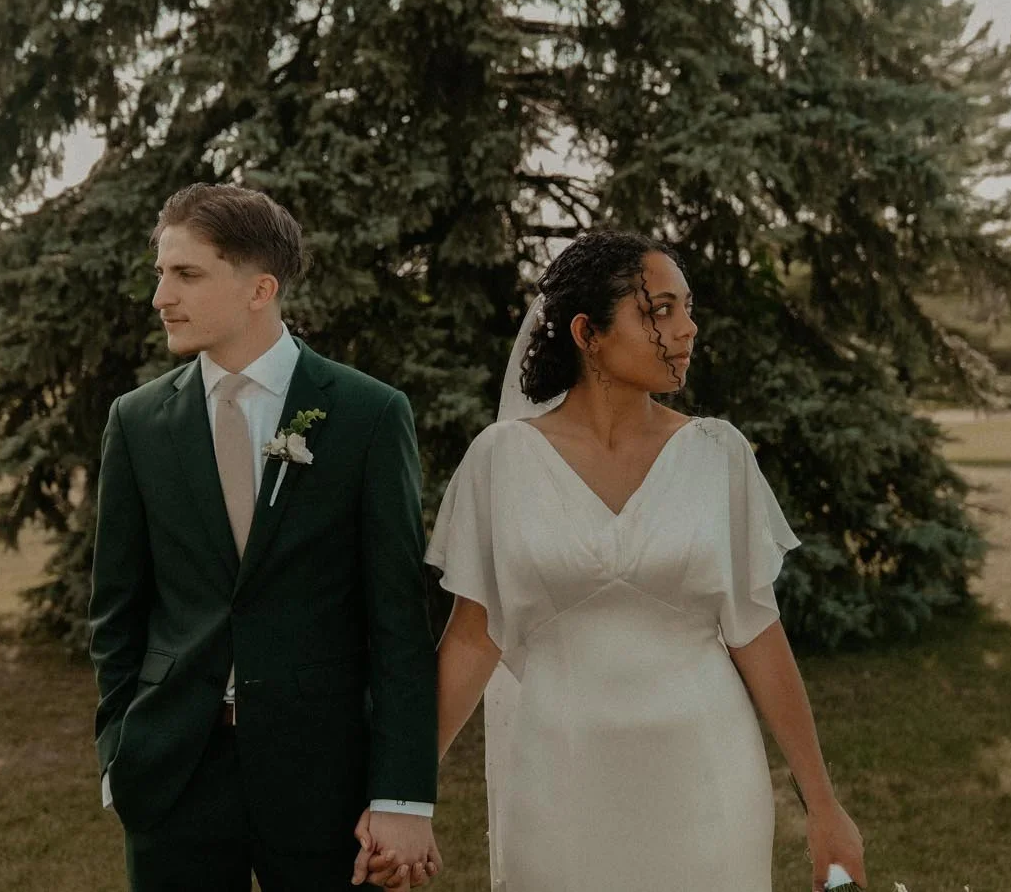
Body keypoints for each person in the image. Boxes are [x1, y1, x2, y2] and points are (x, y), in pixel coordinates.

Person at [419, 229, 865, 891]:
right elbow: (471, 637)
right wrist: (402, 796)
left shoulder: (719, 453)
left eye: (686, 308)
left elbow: (758, 633)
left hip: (708, 783)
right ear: (587, 332)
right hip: (558, 782)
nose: (686, 328)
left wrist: (824, 806)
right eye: (658, 310)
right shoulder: (501, 459)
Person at [88, 184, 443, 891]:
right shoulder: (137, 422)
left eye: (185, 274)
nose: (161, 296)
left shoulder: (368, 415)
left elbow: (401, 623)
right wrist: (117, 754)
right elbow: (116, 612)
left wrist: (402, 797)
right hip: (175, 774)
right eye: (160, 273)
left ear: (261, 288)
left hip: (325, 779)